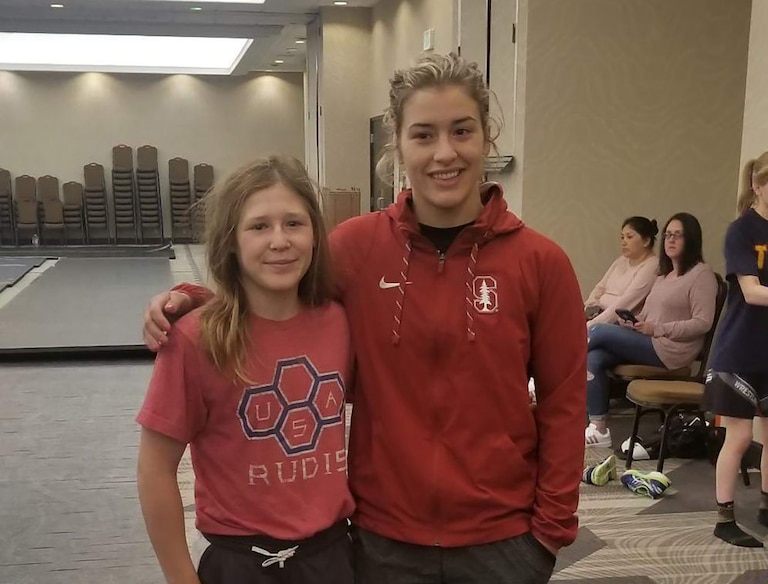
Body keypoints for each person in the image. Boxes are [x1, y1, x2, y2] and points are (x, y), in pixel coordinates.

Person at [143, 53, 587, 584]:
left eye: (462, 131)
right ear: (397, 144)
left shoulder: (540, 263)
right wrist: (197, 300)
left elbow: (564, 405)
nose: (445, 152)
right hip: (380, 543)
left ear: (486, 139)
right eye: (423, 134)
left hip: (504, 543)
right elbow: (278, 293)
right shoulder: (356, 248)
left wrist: (547, 536)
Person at [136, 156, 355, 584]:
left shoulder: (340, 322)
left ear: (315, 236)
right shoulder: (196, 339)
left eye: (294, 223)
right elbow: (154, 469)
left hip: (331, 558)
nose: (279, 241)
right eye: (259, 226)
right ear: (231, 241)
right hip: (239, 563)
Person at [584, 213, 718, 448]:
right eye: (667, 235)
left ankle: (547, 373)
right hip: (649, 339)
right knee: (594, 357)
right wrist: (634, 322)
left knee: (598, 332)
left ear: (692, 239)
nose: (670, 240)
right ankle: (599, 428)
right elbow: (650, 314)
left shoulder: (701, 275)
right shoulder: (664, 275)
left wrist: (658, 328)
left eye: (678, 235)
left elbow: (702, 322)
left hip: (671, 350)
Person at [704, 151, 768, 548]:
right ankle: (724, 517)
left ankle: (766, 507)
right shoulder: (742, 230)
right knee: (740, 436)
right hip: (738, 351)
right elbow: (751, 291)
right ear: (758, 186)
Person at [584, 216, 658, 326]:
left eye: (629, 237)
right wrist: (589, 307)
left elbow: (626, 303)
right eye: (622, 237)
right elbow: (600, 288)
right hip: (598, 314)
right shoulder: (621, 260)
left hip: (619, 323)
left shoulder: (652, 265)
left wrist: (590, 325)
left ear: (646, 241)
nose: (624, 242)